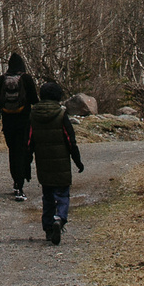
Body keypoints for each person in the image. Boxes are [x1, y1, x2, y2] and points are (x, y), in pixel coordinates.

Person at [28, 80, 85, 244]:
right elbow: (70, 140)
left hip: (43, 163)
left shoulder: (33, 115)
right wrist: (77, 161)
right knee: (62, 194)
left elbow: (29, 141)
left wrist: (26, 164)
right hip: (61, 165)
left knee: (47, 196)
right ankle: (59, 218)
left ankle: (48, 228)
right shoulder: (61, 114)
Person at [0, 53, 38, 201]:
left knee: (13, 152)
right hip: (24, 121)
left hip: (8, 122)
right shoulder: (26, 78)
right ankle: (22, 180)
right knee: (24, 150)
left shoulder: (1, 79)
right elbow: (35, 99)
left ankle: (16, 182)